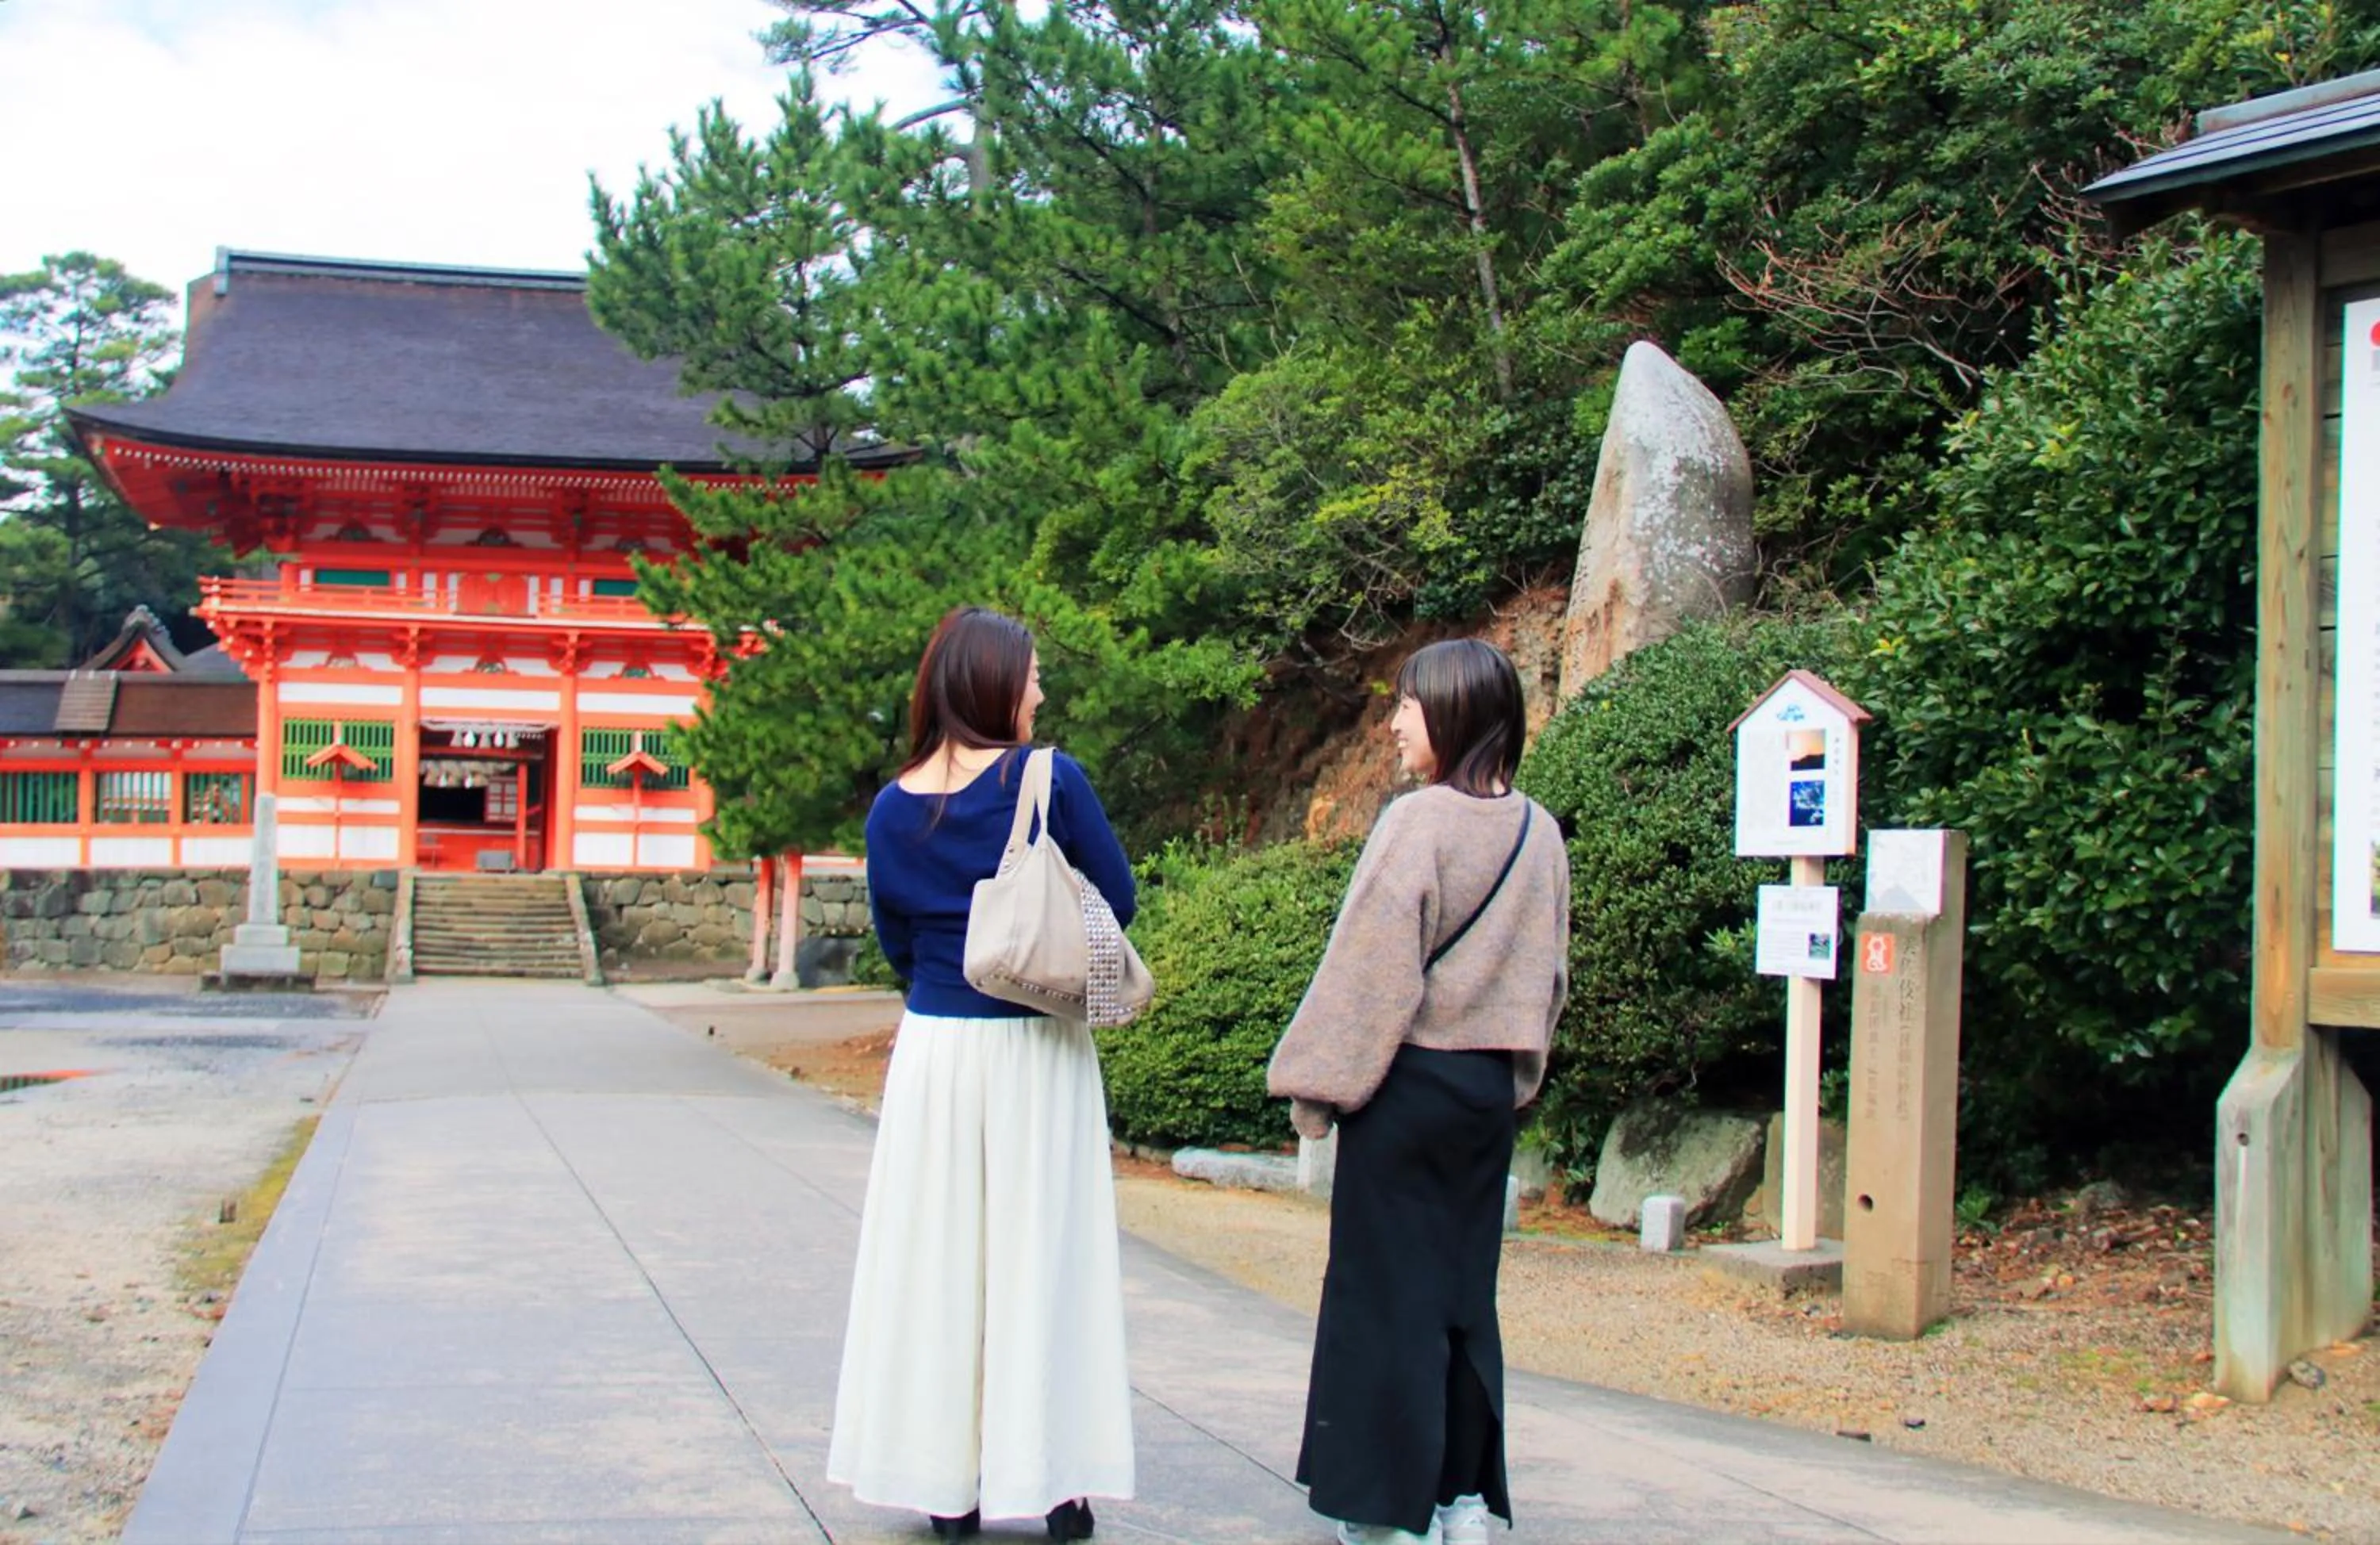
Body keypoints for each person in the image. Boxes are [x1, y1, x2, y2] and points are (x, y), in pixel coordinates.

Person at [827, 607, 1136, 1542]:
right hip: (1036, 1047)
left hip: (935, 1052)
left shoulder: (891, 807)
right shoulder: (1052, 779)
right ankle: (1053, 1480)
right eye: (1033, 675)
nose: (1042, 690)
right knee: (1044, 1255)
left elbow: (892, 935)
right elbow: (1115, 898)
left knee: (937, 1262)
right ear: (998, 685)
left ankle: (944, 1486)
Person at [1267, 638, 1571, 1545]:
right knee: (1459, 1299)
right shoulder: (1539, 831)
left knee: (1382, 1298)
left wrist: (1314, 1091)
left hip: (1403, 1091)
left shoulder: (1417, 824)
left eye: (1409, 704)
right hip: (1484, 1099)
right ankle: (1463, 1499)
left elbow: (1368, 975)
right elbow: (1549, 979)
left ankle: (1384, 1512)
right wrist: (1515, 1075)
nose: (1395, 722)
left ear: (1454, 716)